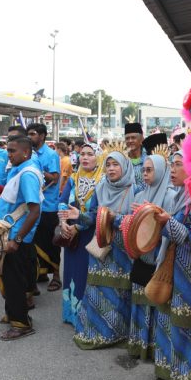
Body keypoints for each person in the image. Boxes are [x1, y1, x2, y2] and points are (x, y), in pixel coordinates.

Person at [150, 148, 191, 380]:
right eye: (172, 164)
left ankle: (184, 378)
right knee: (167, 319)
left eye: (178, 164)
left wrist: (168, 222)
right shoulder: (180, 197)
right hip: (172, 266)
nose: (172, 169)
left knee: (184, 324)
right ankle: (167, 371)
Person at [72, 146, 135, 349]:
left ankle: (116, 332)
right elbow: (92, 215)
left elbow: (137, 223)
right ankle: (94, 331)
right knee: (97, 290)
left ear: (124, 166)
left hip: (123, 250)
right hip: (101, 246)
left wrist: (115, 218)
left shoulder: (135, 190)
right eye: (108, 165)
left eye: (115, 164)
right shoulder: (100, 188)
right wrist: (78, 216)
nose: (111, 169)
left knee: (118, 293)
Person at [125, 151, 173, 360]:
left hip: (158, 259)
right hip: (141, 257)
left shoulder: (170, 196)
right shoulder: (138, 195)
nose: (144, 174)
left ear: (161, 171)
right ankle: (139, 345)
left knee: (156, 304)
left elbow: (170, 228)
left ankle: (154, 348)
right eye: (143, 170)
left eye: (149, 170)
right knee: (140, 301)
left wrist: (152, 215)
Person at [0, 135, 43, 341]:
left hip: (16, 237)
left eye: (13, 151)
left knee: (14, 281)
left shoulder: (27, 174)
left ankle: (21, 324)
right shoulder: (21, 169)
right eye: (8, 150)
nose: (9, 154)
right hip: (12, 234)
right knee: (10, 278)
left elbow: (34, 210)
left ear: (26, 152)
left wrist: (18, 239)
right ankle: (13, 313)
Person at [57, 143, 101, 326]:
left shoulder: (102, 181)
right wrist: (63, 223)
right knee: (72, 273)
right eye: (82, 154)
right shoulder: (74, 178)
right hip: (71, 236)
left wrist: (78, 227)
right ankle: (72, 315)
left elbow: (98, 211)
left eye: (90, 154)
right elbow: (61, 202)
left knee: (86, 274)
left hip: (89, 236)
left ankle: (86, 317)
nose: (85, 157)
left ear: (98, 157)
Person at [27, 123, 62, 292]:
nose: (30, 137)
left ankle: (56, 276)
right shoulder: (29, 153)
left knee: (51, 243)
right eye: (28, 134)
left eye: (33, 134)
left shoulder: (51, 154)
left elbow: (54, 178)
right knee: (35, 243)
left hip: (48, 206)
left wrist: (36, 170)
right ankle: (40, 273)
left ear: (42, 136)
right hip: (33, 205)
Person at [124, 123, 146, 191]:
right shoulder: (122, 160)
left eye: (133, 138)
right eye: (127, 138)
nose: (130, 141)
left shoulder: (149, 159)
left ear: (141, 139)